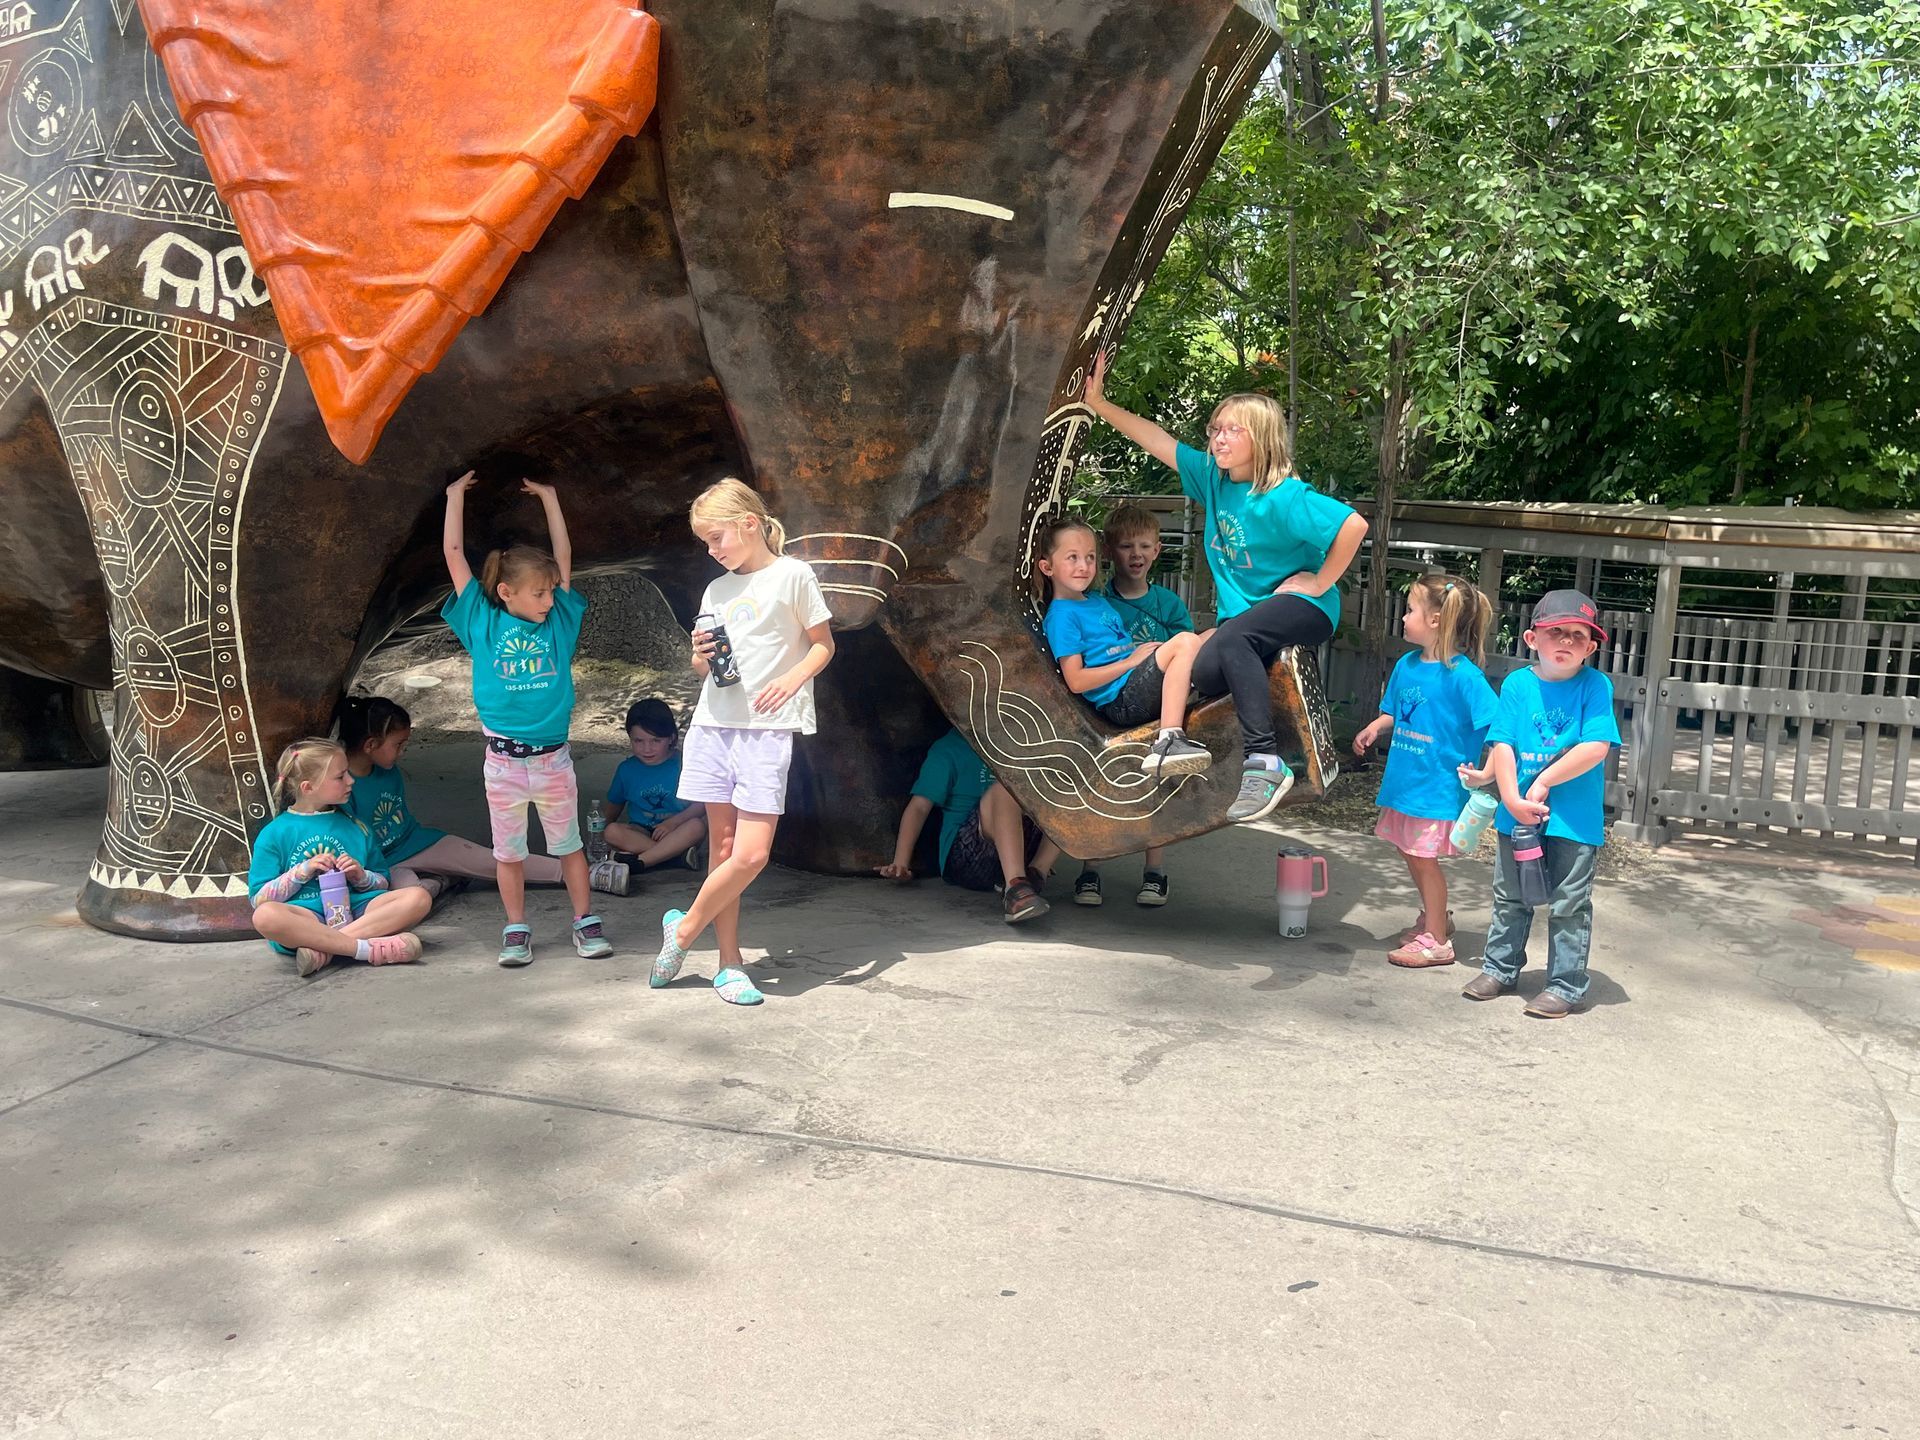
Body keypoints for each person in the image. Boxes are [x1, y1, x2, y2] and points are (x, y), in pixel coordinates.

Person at [1082, 348, 1368, 823]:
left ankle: (1264, 762)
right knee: (1205, 668)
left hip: (1303, 607)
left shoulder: (1284, 496)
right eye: (1215, 429)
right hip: (1245, 622)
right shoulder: (1214, 480)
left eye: (1232, 430)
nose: (1218, 438)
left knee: (1235, 637)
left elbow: (1353, 526)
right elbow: (1157, 439)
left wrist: (1320, 581)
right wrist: (1099, 403)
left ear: (1261, 437)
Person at [652, 479, 835, 1006]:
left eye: (717, 538)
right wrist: (699, 655)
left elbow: (823, 645)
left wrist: (794, 677)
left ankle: (683, 931)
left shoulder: (794, 575)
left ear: (749, 524)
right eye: (706, 543)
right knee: (724, 850)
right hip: (714, 723)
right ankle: (729, 965)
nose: (713, 552)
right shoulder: (717, 589)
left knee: (752, 855)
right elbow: (701, 667)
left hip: (766, 729)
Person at [441, 471, 623, 968]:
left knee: (569, 848)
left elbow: (564, 561)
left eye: (550, 592)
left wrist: (551, 498)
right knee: (509, 853)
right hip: (502, 763)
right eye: (538, 593)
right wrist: (455, 497)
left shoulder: (560, 620)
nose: (550, 599)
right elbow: (454, 557)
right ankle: (516, 928)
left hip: (552, 761)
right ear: (505, 592)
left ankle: (585, 922)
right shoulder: (481, 620)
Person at [1457, 590, 1620, 1019]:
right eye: (1555, 632)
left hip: (1573, 819)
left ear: (1591, 647)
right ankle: (1500, 969)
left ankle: (1565, 985)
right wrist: (1508, 796)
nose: (1565, 641)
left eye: (1577, 635)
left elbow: (1596, 747)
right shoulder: (1516, 684)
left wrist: (1545, 780)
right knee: (1510, 895)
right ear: (1532, 638)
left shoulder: (1595, 685)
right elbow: (1504, 744)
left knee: (1569, 902)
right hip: (1519, 816)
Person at [1350, 574, 1497, 967]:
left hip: (1435, 789)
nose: (1402, 618)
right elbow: (1395, 712)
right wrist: (1375, 727)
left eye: (1410, 609)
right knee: (1411, 853)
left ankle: (1436, 940)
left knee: (1422, 858)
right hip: (1406, 784)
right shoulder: (1407, 665)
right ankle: (1436, 920)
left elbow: (1500, 730)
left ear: (1435, 620)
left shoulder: (1465, 676)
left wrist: (1487, 773)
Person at [339, 695, 587, 898]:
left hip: (416, 842)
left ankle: (578, 873)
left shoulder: (388, 771)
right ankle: (440, 880)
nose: (403, 753)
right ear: (370, 745)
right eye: (398, 745)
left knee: (488, 859)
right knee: (412, 895)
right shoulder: (342, 786)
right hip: (381, 863)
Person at [1076, 502, 1195, 906]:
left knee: (1157, 782)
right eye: (1126, 546)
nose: (1136, 554)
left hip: (1160, 702)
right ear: (1109, 550)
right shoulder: (1097, 604)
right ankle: (1090, 868)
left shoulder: (1169, 604)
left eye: (1145, 545)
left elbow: (1188, 653)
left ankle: (1154, 871)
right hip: (1112, 698)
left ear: (1158, 550)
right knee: (1099, 779)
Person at [1038, 516, 1214, 780]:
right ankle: (1168, 742)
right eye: (1072, 557)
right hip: (1121, 700)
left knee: (1213, 635)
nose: (1084, 566)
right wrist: (1130, 662)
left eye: (1090, 557)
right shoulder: (1062, 616)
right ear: (1047, 567)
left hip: (1133, 682)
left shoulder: (1095, 600)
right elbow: (1075, 680)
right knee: (1187, 641)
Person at [249, 738, 431, 977]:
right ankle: (365, 949)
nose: (351, 781)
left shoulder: (356, 825)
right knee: (265, 916)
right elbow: (259, 898)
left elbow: (382, 881)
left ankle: (325, 950)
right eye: (340, 776)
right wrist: (301, 872)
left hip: (358, 909)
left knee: (418, 897)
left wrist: (360, 875)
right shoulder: (275, 833)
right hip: (308, 916)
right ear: (307, 787)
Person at [878, 726, 1062, 922]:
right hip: (968, 857)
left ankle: (1036, 873)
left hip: (1021, 849)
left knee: (1064, 777)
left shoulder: (1022, 742)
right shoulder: (950, 748)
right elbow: (919, 807)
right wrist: (900, 862)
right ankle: (1015, 888)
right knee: (1004, 788)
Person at [603, 697, 707, 872]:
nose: (647, 749)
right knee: (611, 831)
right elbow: (613, 806)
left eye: (655, 741)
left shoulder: (684, 764)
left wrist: (673, 823)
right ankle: (675, 858)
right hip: (640, 831)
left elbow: (701, 805)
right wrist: (601, 833)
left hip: (677, 829)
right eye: (639, 741)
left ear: (671, 738)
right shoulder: (627, 769)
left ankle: (639, 862)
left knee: (697, 826)